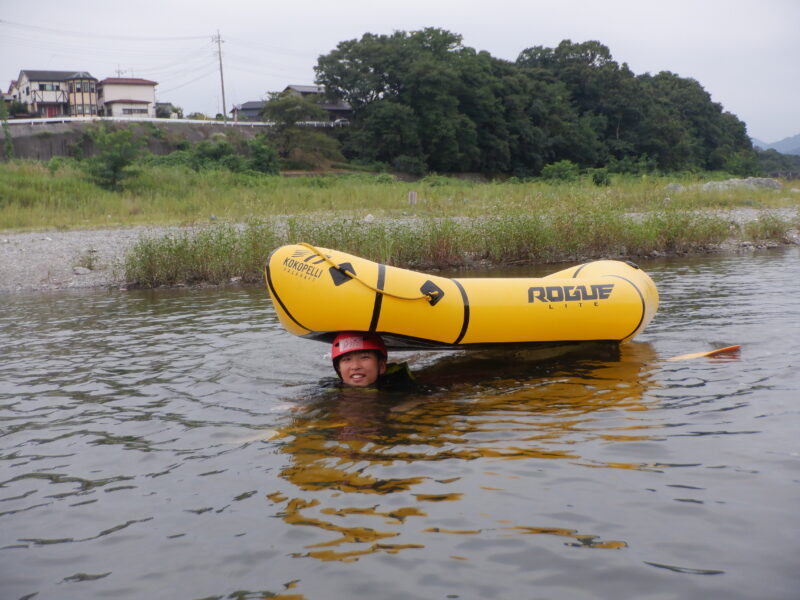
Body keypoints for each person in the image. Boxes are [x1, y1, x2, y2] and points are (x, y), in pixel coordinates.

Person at [330, 331, 416, 390]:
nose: (355, 366)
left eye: (364, 357)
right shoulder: (330, 387)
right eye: (347, 359)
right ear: (338, 369)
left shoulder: (400, 385)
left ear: (381, 365)